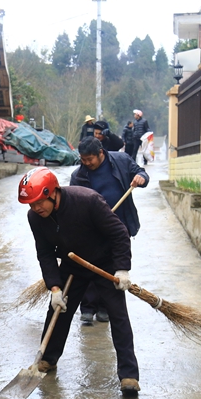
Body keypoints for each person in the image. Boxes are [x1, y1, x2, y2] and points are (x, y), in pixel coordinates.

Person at [19, 167, 141, 396]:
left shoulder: (88, 201)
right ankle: (47, 359)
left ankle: (129, 374)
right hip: (73, 263)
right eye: (31, 204)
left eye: (39, 202)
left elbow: (119, 233)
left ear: (53, 192)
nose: (35, 208)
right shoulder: (35, 217)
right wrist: (54, 287)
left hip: (104, 263)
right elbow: (44, 253)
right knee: (57, 311)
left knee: (118, 315)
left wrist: (122, 268)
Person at [70, 137, 149, 324]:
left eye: (90, 159)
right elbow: (74, 203)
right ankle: (88, 308)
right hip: (93, 229)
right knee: (90, 267)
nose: (87, 163)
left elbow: (140, 172)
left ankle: (105, 308)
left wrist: (141, 178)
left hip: (119, 226)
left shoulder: (121, 161)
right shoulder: (79, 176)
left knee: (113, 267)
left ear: (101, 153)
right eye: (83, 159)